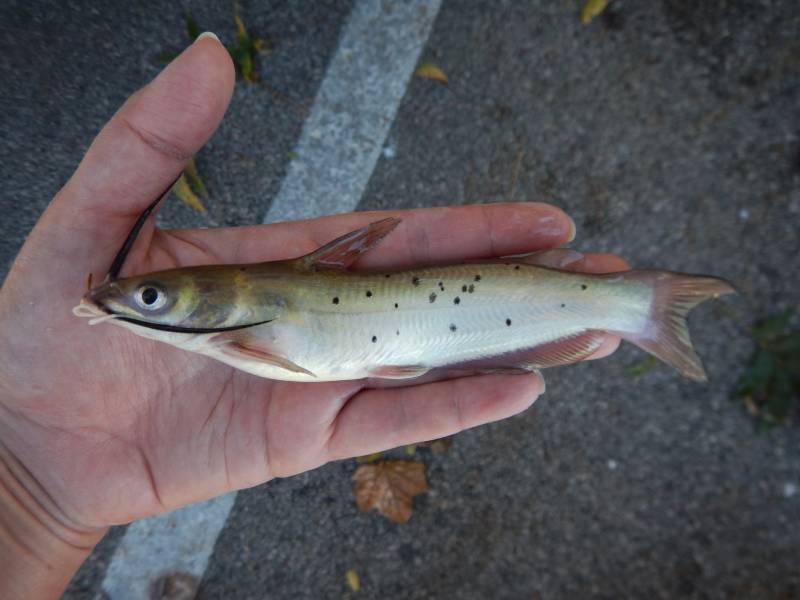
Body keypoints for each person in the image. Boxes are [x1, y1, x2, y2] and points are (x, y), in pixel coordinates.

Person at [0, 33, 625, 599]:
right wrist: (28, 486)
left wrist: (31, 490)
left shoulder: (238, 334)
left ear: (221, 304)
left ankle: (633, 306)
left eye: (152, 299)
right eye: (150, 299)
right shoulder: (224, 335)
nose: (133, 305)